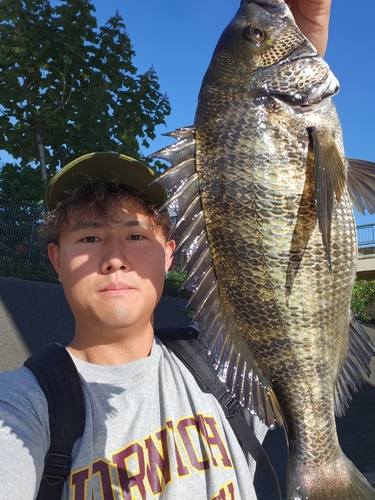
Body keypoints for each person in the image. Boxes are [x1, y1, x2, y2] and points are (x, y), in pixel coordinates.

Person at [0, 3, 333, 498]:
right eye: (89, 238)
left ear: (173, 254)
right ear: (54, 259)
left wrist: (298, 34)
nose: (114, 256)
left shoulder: (220, 365)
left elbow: (279, 178)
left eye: (137, 236)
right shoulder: (26, 406)